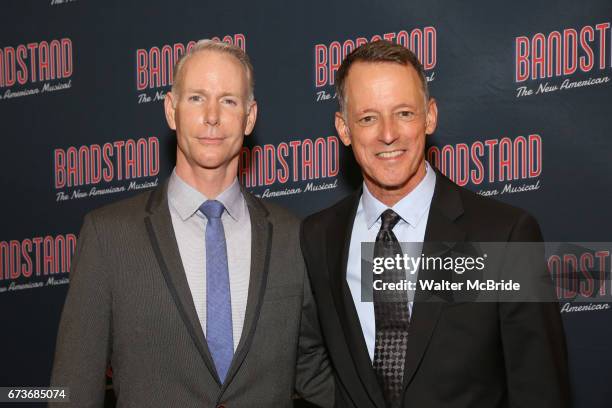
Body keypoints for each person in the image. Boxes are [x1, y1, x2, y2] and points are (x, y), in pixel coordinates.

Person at [51, 40, 333, 407]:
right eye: (197, 98)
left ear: (250, 117)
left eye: (229, 101)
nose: (212, 116)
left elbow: (312, 369)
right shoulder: (108, 236)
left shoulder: (292, 237)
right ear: (172, 110)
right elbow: (73, 389)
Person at [300, 40, 569, 408]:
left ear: (430, 116)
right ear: (343, 129)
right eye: (367, 118)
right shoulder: (318, 237)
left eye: (404, 113)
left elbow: (541, 391)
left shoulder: (504, 236)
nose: (388, 133)